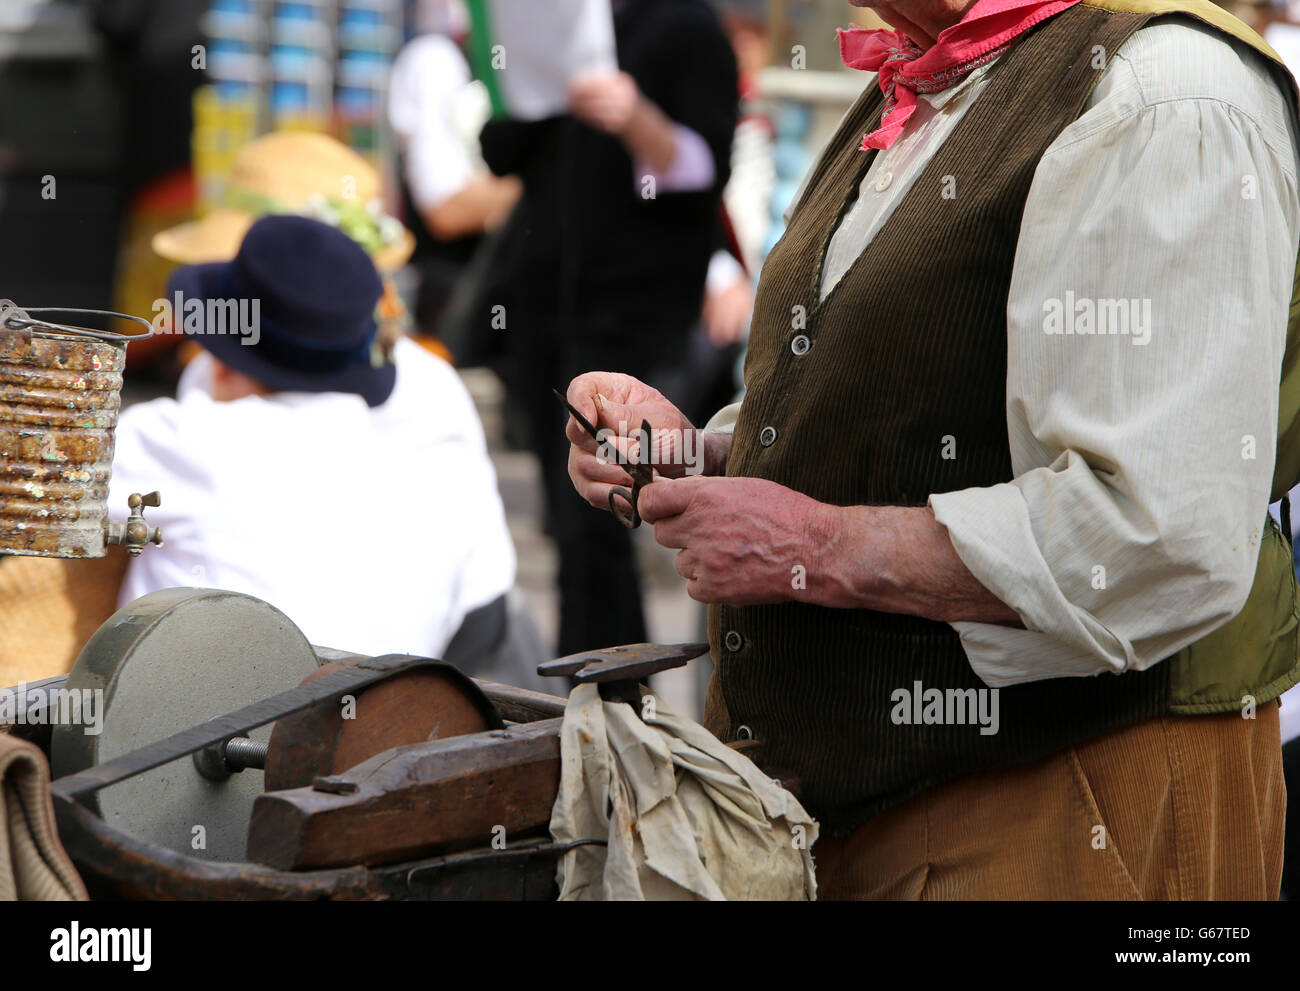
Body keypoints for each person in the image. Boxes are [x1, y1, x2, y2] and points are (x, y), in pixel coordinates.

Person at [564, 0, 1300, 898]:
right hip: (877, 801)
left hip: (1073, 791)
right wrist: (702, 457)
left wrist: (815, 547)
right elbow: (910, 396)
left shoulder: (1164, 90)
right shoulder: (930, 80)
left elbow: (1156, 531)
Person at [109, 215, 516, 662]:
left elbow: (41, 486)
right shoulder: (424, 452)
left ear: (222, 359)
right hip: (390, 717)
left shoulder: (180, 439)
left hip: (202, 725)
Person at [479, 0, 739, 657]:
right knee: (570, 520)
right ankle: (593, 692)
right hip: (546, 308)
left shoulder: (686, 24)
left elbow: (705, 170)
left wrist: (635, 120)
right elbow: (502, 149)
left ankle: (615, 698)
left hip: (634, 312)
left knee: (604, 517)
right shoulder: (557, 23)